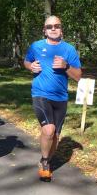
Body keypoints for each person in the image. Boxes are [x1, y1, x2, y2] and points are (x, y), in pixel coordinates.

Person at [23, 15, 82, 181]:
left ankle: (47, 160)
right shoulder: (36, 46)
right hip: (40, 94)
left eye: (57, 26)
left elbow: (78, 76)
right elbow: (26, 62)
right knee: (48, 130)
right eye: (49, 26)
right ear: (44, 30)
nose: (53, 29)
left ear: (61, 29)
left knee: (55, 135)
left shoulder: (69, 50)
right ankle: (45, 162)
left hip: (61, 97)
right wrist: (30, 66)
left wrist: (66, 66)